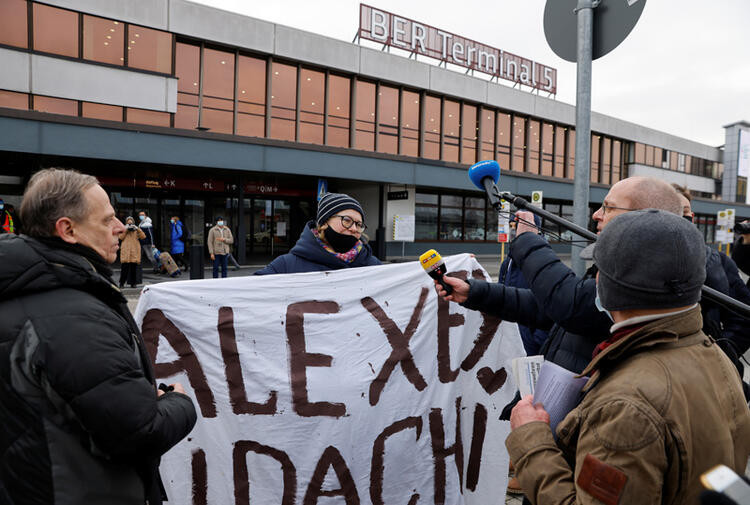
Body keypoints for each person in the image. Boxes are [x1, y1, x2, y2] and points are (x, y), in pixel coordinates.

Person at [506, 209, 750, 505]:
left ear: (612, 286)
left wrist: (531, 439)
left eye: (600, 270)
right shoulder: (713, 354)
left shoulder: (626, 407)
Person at [0, 168, 197, 504]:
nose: (120, 227)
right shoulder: (74, 316)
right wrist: (179, 403)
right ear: (68, 229)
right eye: (107, 220)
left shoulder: (31, 290)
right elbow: (138, 432)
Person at [672, 183, 750, 358]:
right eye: (672, 211)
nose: (679, 218)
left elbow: (743, 318)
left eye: (685, 213)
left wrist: (719, 357)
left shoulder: (717, 261)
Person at [254, 192, 381, 275]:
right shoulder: (286, 266)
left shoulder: (374, 266)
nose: (354, 228)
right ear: (324, 222)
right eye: (347, 220)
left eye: (359, 224)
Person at [498, 214, 549, 357]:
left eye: (517, 226)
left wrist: (536, 341)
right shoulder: (507, 262)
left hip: (531, 346)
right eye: (511, 227)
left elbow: (549, 304)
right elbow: (499, 296)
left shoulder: (541, 260)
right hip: (510, 340)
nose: (514, 232)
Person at [119, 215, 146, 288]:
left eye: (131, 223)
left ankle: (133, 283)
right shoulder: (123, 229)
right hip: (126, 252)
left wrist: (137, 229)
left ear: (134, 223)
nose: (130, 225)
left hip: (134, 251)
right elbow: (120, 237)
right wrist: (126, 229)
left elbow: (143, 237)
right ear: (126, 223)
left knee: (134, 270)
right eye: (129, 223)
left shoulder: (136, 230)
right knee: (124, 269)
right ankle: (121, 283)